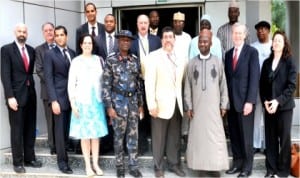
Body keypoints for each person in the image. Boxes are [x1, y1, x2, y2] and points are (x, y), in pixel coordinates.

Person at [184, 28, 229, 177]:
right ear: (197, 43)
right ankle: (201, 168)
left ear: (211, 42)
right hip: (197, 108)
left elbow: (223, 85)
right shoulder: (191, 63)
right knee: (199, 138)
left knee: (214, 138)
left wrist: (224, 104)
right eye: (201, 41)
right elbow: (188, 86)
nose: (203, 43)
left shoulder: (218, 62)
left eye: (206, 41)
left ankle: (214, 168)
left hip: (214, 108)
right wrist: (188, 106)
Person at [145, 26, 186, 178]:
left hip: (177, 104)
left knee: (174, 137)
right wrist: (151, 105)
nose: (168, 40)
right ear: (161, 40)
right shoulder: (153, 57)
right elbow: (149, 83)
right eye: (166, 37)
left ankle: (174, 164)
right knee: (158, 138)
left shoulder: (181, 57)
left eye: (171, 37)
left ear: (174, 40)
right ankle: (158, 167)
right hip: (159, 105)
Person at [1, 23, 42, 173]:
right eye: (19, 31)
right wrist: (9, 96)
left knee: (30, 129)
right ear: (15, 32)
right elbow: (5, 75)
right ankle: (17, 162)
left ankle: (29, 158)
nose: (22, 34)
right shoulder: (6, 50)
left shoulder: (31, 50)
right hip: (16, 97)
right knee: (17, 130)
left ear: (27, 33)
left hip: (30, 95)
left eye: (24, 31)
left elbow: (29, 73)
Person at [102, 30, 144, 178]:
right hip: (118, 104)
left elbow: (139, 84)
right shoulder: (111, 60)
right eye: (122, 40)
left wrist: (140, 104)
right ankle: (120, 167)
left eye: (128, 40)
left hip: (133, 104)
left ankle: (133, 166)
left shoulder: (135, 60)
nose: (125, 42)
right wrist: (109, 107)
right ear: (118, 42)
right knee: (118, 138)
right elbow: (105, 85)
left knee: (133, 137)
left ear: (131, 42)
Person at [68, 34, 108, 176]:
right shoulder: (76, 61)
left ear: (93, 45)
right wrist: (73, 102)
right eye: (84, 43)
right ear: (80, 45)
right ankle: (87, 165)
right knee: (85, 136)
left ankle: (96, 164)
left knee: (95, 136)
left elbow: (104, 81)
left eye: (89, 43)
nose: (87, 45)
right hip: (82, 102)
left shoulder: (99, 60)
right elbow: (71, 83)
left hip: (96, 102)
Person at [224, 23, 260, 177]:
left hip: (245, 103)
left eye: (240, 33)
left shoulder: (252, 52)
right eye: (235, 33)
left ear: (245, 35)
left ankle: (247, 167)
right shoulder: (228, 54)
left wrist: (250, 101)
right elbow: (226, 79)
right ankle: (237, 164)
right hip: (231, 103)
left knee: (246, 137)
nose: (237, 36)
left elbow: (254, 78)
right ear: (231, 35)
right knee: (234, 136)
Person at [260, 31, 297, 178]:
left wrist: (278, 101)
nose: (276, 43)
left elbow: (291, 86)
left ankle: (282, 172)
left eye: (279, 41)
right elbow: (261, 85)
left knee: (284, 139)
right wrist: (265, 102)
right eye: (274, 40)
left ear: (284, 44)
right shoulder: (267, 62)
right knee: (270, 139)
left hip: (284, 108)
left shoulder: (289, 61)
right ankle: (271, 169)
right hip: (269, 107)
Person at [44, 25, 76, 174]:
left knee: (69, 130)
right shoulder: (49, 54)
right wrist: (53, 100)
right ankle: (62, 163)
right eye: (56, 35)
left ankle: (70, 154)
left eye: (62, 34)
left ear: (66, 36)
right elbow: (48, 79)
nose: (59, 37)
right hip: (59, 99)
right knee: (60, 133)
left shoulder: (73, 53)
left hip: (72, 99)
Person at [130, 14, 161, 155]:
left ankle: (157, 146)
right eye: (140, 22)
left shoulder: (156, 40)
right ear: (137, 24)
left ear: (149, 25)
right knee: (140, 114)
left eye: (145, 23)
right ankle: (141, 146)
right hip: (138, 82)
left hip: (153, 82)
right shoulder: (132, 41)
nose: (143, 25)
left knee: (154, 112)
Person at [251, 20, 272, 154]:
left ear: (268, 31)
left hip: (270, 87)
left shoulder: (273, 45)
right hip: (256, 86)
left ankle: (268, 144)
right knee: (256, 117)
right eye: (258, 29)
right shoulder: (253, 47)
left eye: (263, 29)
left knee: (269, 117)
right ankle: (256, 144)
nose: (261, 31)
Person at [35, 22, 56, 155]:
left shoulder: (61, 46)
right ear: (43, 33)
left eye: (51, 30)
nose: (49, 32)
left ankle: (63, 142)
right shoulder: (39, 50)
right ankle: (53, 145)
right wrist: (54, 82)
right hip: (47, 91)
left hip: (62, 91)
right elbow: (39, 70)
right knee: (51, 120)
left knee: (63, 119)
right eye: (46, 30)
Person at [172, 11, 191, 152]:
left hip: (185, 75)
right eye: (176, 22)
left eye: (181, 22)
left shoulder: (188, 37)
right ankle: (175, 134)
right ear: (173, 23)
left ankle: (185, 132)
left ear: (184, 24)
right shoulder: (169, 36)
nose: (178, 24)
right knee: (174, 105)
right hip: (171, 76)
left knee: (185, 104)